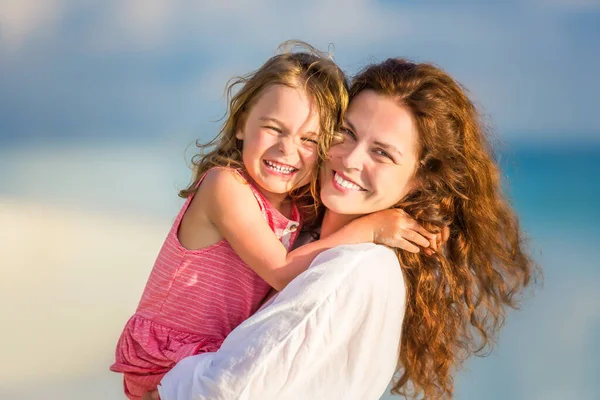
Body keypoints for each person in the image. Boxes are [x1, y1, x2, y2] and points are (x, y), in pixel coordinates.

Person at [154, 57, 537, 400]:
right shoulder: (304, 228)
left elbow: (226, 393)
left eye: (382, 152)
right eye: (346, 133)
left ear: (420, 179)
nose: (350, 159)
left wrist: (169, 384)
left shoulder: (355, 268)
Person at [110, 44, 439, 400]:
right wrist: (370, 228)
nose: (287, 149)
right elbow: (283, 270)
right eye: (273, 128)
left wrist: (425, 223)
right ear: (240, 124)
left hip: (207, 353)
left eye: (310, 139)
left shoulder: (296, 206)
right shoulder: (225, 187)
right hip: (164, 360)